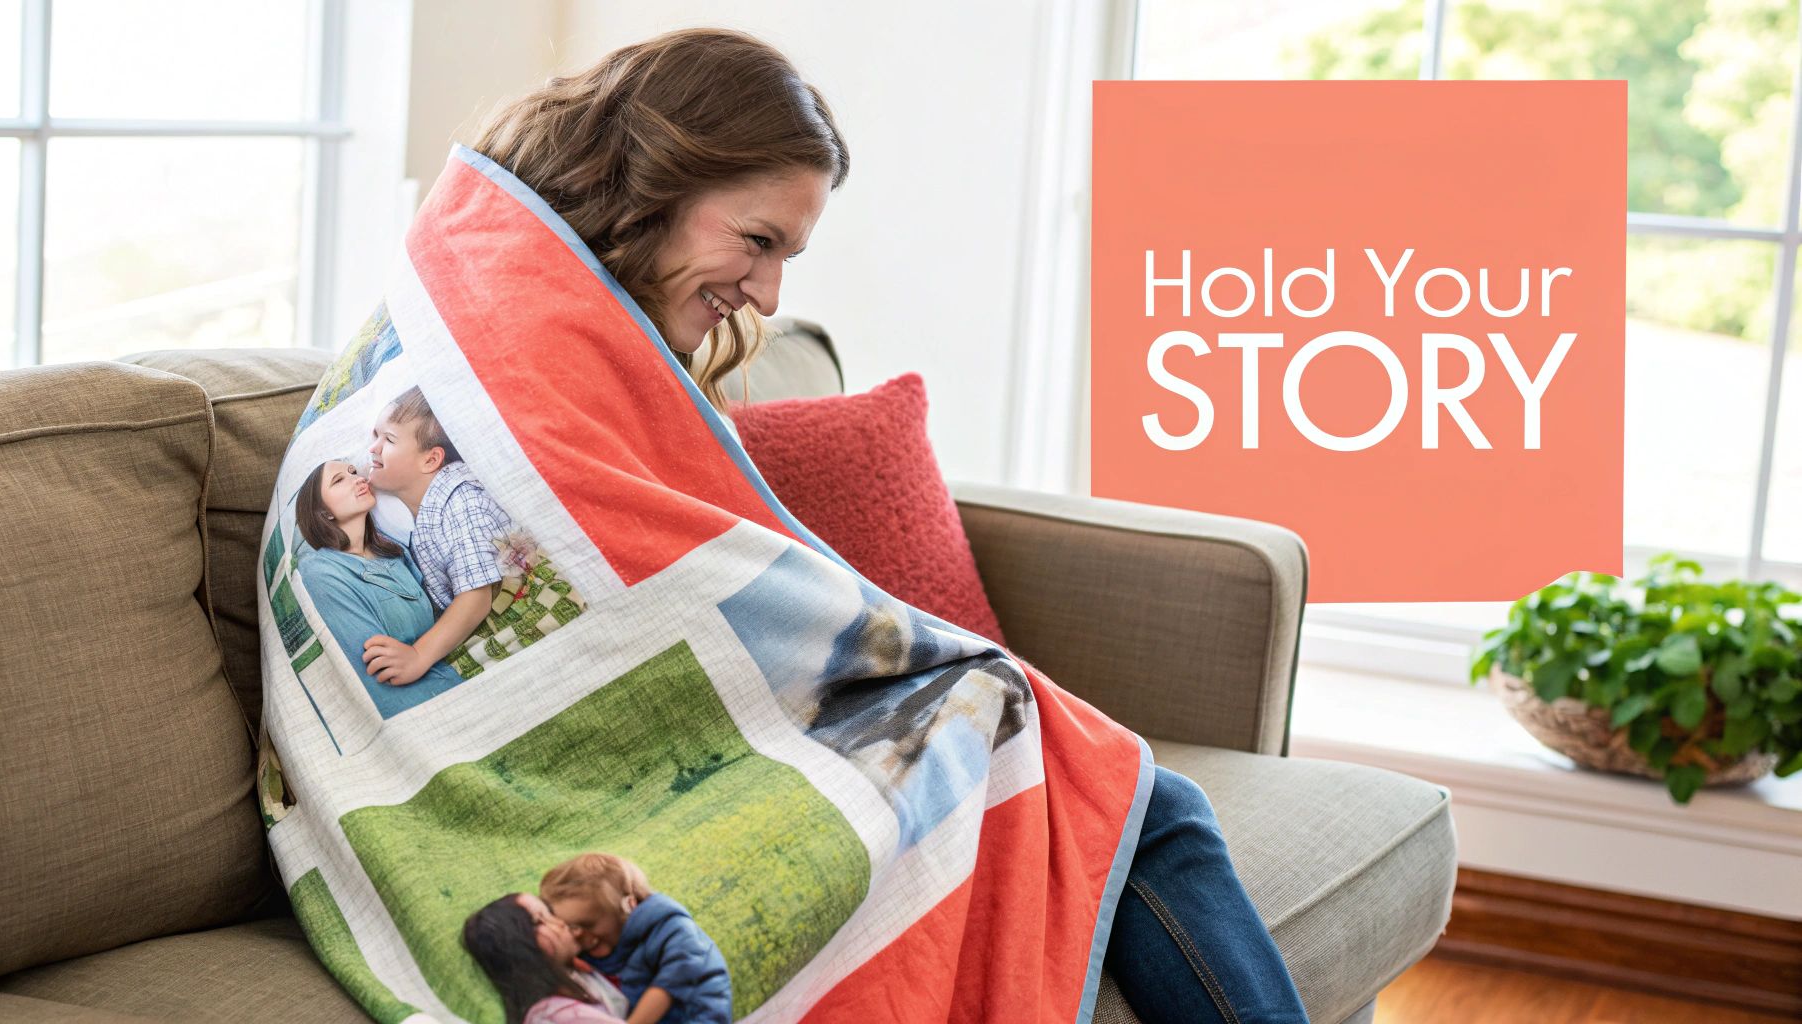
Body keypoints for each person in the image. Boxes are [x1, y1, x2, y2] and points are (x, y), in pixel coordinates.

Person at [471, 27, 1310, 1024]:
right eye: (758, 240)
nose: (770, 293)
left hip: (700, 747)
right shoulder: (520, 352)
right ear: (656, 184)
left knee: (1096, 775)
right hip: (626, 785)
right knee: (1139, 801)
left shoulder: (544, 322)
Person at [360, 386, 512, 686]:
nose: (373, 448)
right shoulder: (412, 515)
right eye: (374, 435)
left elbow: (476, 597)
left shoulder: (462, 501)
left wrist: (419, 655)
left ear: (430, 460)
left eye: (388, 439)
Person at [293, 460, 467, 715]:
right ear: (323, 513)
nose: (357, 478)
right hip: (423, 707)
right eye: (339, 480)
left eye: (353, 471)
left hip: (448, 680)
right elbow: (374, 676)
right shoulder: (320, 571)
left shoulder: (394, 554)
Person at [539, 852, 731, 1024]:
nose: (579, 934)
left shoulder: (669, 927)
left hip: (696, 1014)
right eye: (571, 927)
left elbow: (674, 980)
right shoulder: (597, 946)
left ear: (629, 906)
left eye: (588, 924)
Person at [462, 892, 628, 1024]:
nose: (560, 922)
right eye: (539, 920)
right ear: (519, 949)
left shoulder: (584, 971)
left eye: (550, 913)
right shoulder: (554, 1017)